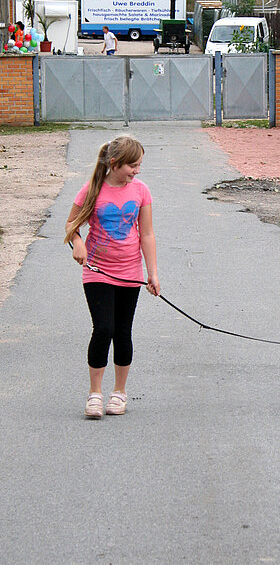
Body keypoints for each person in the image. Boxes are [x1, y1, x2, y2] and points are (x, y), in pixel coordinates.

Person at [65, 136, 160, 418]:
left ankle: (119, 392)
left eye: (139, 165)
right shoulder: (92, 189)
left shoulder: (141, 191)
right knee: (103, 328)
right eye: (133, 165)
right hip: (97, 272)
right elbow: (71, 224)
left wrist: (152, 273)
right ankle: (95, 393)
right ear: (115, 163)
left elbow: (146, 234)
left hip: (130, 273)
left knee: (122, 331)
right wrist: (78, 242)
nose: (137, 171)